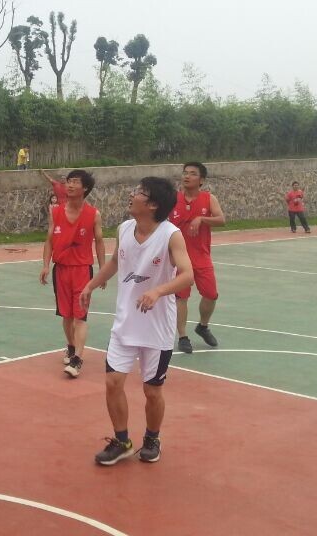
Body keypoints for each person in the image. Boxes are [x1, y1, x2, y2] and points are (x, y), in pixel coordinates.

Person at [78, 177, 194, 466]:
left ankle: (152, 438)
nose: (132, 195)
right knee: (113, 382)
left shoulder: (171, 235)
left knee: (152, 391)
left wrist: (158, 291)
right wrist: (91, 285)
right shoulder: (124, 229)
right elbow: (116, 262)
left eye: (139, 192)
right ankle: (122, 441)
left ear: (152, 204)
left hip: (157, 328)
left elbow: (187, 275)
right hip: (125, 323)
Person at [40, 169, 106, 378]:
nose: (69, 185)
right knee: (67, 316)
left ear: (85, 188)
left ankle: (77, 359)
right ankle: (70, 346)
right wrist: (45, 265)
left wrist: (103, 270)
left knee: (80, 317)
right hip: (61, 269)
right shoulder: (55, 212)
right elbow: (49, 240)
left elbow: (100, 242)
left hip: (82, 271)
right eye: (68, 181)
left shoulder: (93, 214)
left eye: (75, 182)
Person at [169, 162, 226, 354]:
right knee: (181, 297)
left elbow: (221, 220)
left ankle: (203, 326)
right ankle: (183, 336)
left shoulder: (209, 199)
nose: (187, 176)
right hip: (179, 258)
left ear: (201, 180)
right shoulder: (173, 199)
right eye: (185, 173)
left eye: (192, 174)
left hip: (202, 256)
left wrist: (202, 219)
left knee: (211, 294)